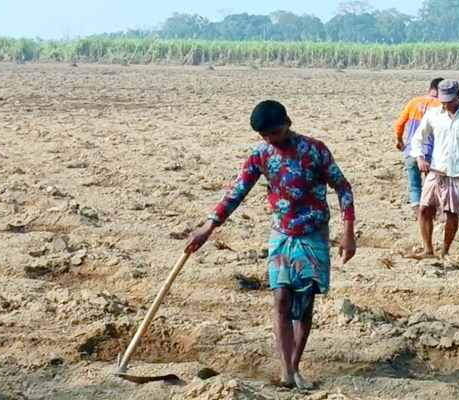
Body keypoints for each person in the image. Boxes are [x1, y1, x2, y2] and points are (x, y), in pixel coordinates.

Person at [184, 100, 357, 390]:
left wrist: (348, 232)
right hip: (281, 234)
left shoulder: (315, 150)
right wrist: (208, 227)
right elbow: (237, 191)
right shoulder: (260, 156)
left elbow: (343, 187)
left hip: (313, 235)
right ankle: (287, 371)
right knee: (280, 299)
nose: (271, 140)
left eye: (275, 133)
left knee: (303, 304)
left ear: (287, 123)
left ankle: (296, 364)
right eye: (265, 136)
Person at [409, 79, 459, 260]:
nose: (445, 104)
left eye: (449, 100)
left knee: (453, 213)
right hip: (437, 169)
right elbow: (417, 139)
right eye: (443, 100)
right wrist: (420, 158)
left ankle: (445, 251)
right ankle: (428, 249)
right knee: (424, 209)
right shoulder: (433, 115)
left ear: (458, 97)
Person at [393, 77, 444, 218]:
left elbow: (400, 124)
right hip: (431, 152)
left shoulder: (414, 102)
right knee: (433, 184)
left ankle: (418, 213)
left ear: (429, 88)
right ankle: (433, 212)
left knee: (414, 185)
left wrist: (400, 140)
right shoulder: (442, 106)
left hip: (411, 151)